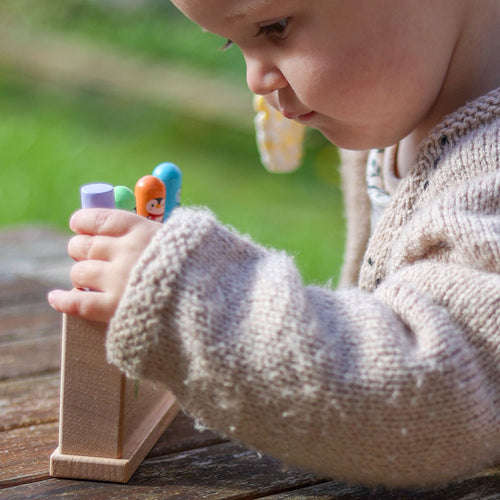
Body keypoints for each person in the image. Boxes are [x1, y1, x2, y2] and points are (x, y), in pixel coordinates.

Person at [47, 0, 500, 489]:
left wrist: (195, 296)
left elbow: (429, 403)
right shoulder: (407, 105)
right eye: (230, 41)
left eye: (274, 27)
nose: (255, 82)